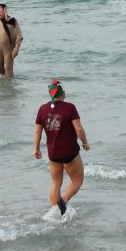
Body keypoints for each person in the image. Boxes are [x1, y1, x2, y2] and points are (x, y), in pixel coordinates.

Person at [33, 79, 89, 216]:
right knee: (77, 179)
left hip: (53, 153)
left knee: (56, 182)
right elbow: (79, 130)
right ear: (62, 94)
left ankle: (54, 214)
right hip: (69, 152)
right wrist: (85, 142)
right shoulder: (70, 107)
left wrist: (36, 149)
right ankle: (63, 202)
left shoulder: (42, 109)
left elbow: (37, 131)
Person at [0, 4, 23, 77]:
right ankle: (4, 82)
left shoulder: (13, 21)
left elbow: (19, 37)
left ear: (5, 11)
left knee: (7, 68)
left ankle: (10, 85)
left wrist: (16, 49)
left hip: (9, 49)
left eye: (0, 11)